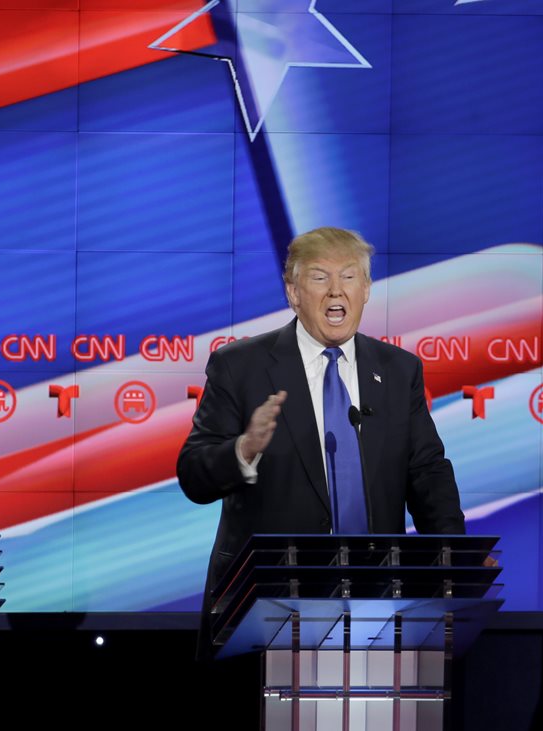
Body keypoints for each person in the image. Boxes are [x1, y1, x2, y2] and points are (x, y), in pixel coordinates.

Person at [177, 227, 465, 651]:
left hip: (374, 605)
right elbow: (193, 474)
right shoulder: (240, 366)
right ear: (293, 292)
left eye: (349, 277)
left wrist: (454, 560)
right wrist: (243, 450)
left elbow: (427, 473)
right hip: (267, 606)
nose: (336, 290)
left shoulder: (398, 370)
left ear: (366, 289)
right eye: (319, 277)